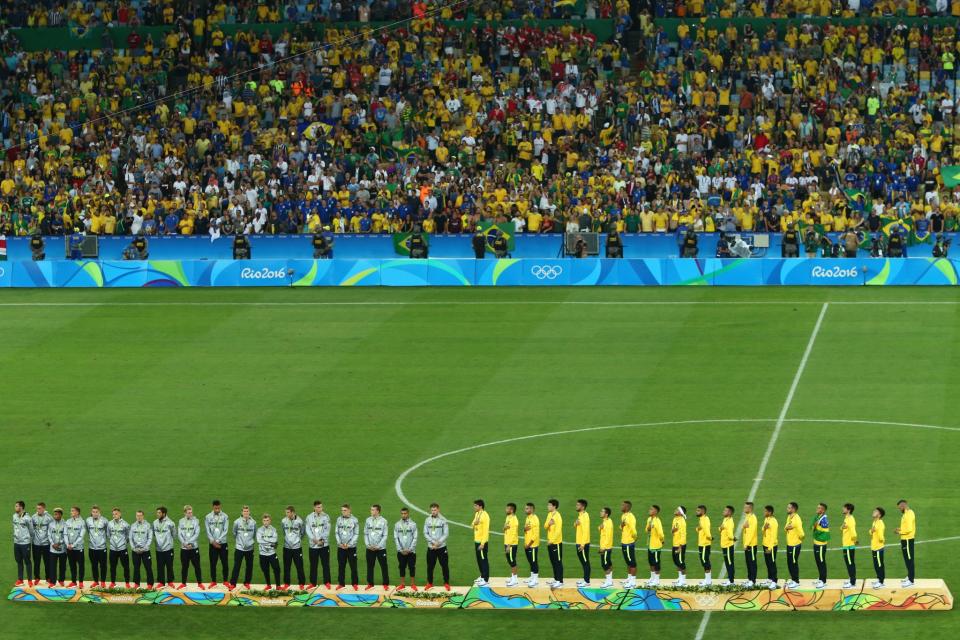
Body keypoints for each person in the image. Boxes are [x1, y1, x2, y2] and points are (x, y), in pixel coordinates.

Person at [423, 503, 450, 589]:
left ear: (438, 510)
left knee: (444, 565)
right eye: (432, 510)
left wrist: (438, 543)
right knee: (430, 566)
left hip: (441, 547)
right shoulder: (427, 520)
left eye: (435, 510)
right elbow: (425, 532)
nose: (433, 512)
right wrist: (432, 542)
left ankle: (446, 583)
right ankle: (430, 583)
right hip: (431, 547)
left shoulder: (443, 520)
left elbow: (446, 534)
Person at [229, 505, 256, 590]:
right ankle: (233, 583)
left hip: (250, 548)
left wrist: (250, 542)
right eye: (244, 511)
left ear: (249, 512)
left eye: (247, 511)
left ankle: (247, 582)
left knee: (249, 566)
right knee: (237, 566)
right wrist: (239, 542)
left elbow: (254, 533)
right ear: (242, 512)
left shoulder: (253, 522)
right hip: (239, 548)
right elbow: (234, 533)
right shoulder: (237, 522)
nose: (246, 513)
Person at [306, 501, 332, 589]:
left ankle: (327, 582)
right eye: (317, 507)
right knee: (313, 565)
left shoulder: (326, 516)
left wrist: (321, 540)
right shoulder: (309, 517)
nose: (319, 509)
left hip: (324, 545)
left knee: (325, 564)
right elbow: (308, 530)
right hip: (313, 545)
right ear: (314, 508)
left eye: (320, 507)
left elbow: (327, 530)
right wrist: (314, 539)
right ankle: (313, 583)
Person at [363, 504, 389, 590]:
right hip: (370, 548)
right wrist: (368, 545)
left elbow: (385, 535)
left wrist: (378, 546)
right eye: (371, 510)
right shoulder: (368, 520)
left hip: (380, 549)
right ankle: (370, 583)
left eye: (373, 510)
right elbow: (365, 533)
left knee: (383, 566)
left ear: (378, 511)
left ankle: (385, 584)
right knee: (370, 566)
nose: (371, 511)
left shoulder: (384, 521)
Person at [204, 500, 229, 588]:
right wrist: (212, 540)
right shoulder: (208, 517)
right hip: (212, 544)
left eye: (218, 508)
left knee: (225, 562)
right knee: (213, 563)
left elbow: (225, 530)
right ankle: (213, 581)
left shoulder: (225, 516)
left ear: (220, 506)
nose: (217, 509)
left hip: (223, 544)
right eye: (215, 508)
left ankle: (225, 581)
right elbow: (207, 530)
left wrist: (218, 540)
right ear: (213, 507)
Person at [335, 504, 360, 590]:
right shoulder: (339, 519)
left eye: (345, 510)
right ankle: (341, 583)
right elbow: (336, 532)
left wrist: (348, 544)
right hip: (341, 547)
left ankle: (355, 584)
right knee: (341, 566)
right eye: (342, 510)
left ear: (349, 510)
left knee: (353, 566)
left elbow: (356, 534)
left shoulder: (355, 520)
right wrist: (340, 543)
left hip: (351, 548)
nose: (343, 512)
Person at [281, 506, 306, 590]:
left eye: (288, 512)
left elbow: (303, 532)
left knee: (299, 566)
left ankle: (301, 583)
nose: (286, 514)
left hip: (297, 548)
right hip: (286, 547)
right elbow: (283, 532)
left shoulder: (299, 521)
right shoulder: (284, 521)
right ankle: (287, 583)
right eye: (286, 512)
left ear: (292, 512)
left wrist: (297, 540)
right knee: (286, 566)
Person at [128, 510, 154, 588]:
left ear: (143, 516)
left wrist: (145, 548)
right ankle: (136, 584)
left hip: (145, 551)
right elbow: (130, 538)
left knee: (148, 567)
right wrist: (133, 548)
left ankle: (150, 584)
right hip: (135, 551)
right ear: (136, 516)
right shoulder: (133, 525)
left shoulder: (148, 525)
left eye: (140, 515)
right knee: (136, 568)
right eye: (137, 516)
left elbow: (150, 538)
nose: (139, 517)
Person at [106, 508, 131, 588]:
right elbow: (108, 535)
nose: (114, 515)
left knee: (126, 566)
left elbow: (128, 536)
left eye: (116, 514)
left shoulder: (125, 524)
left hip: (123, 549)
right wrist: (113, 543)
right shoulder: (109, 524)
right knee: (112, 567)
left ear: (120, 514)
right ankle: (113, 583)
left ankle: (127, 583)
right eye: (113, 514)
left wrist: (123, 543)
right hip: (113, 549)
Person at [394, 508, 418, 590]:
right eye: (402, 513)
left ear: (408, 514)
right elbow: (396, 538)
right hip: (401, 551)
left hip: (411, 552)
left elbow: (415, 537)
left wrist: (410, 549)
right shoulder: (397, 524)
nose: (403, 515)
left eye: (405, 513)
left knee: (412, 567)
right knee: (401, 567)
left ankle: (412, 584)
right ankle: (402, 584)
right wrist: (400, 549)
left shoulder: (413, 524)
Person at [30, 502, 53, 587]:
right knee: (36, 562)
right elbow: (30, 528)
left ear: (44, 508)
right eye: (37, 508)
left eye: (39, 508)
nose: (38, 510)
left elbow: (52, 530)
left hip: (46, 544)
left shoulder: (49, 518)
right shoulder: (33, 517)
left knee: (47, 562)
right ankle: (37, 577)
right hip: (36, 544)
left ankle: (48, 577)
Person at [256, 513, 281, 589]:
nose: (266, 522)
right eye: (264, 520)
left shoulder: (273, 529)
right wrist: (270, 543)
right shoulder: (259, 530)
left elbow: (275, 540)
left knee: (277, 569)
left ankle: (278, 586)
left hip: (272, 553)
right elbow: (259, 540)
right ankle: (268, 585)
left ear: (270, 521)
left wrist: (265, 540)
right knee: (265, 570)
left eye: (267, 520)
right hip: (262, 554)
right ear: (262, 521)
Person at [13, 500, 34, 586]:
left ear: (21, 507)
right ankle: (20, 579)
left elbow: (31, 530)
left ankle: (29, 580)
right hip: (16, 543)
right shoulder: (14, 516)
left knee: (27, 561)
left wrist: (28, 540)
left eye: (17, 506)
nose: (15, 508)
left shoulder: (27, 518)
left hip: (25, 543)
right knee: (19, 561)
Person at [153, 506, 176, 588]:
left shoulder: (170, 523)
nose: (157, 514)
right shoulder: (155, 522)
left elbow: (174, 535)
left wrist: (168, 543)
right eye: (157, 513)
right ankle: (161, 582)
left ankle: (170, 581)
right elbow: (153, 534)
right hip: (158, 549)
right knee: (160, 566)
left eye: (159, 513)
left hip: (168, 549)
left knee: (169, 565)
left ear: (164, 513)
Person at [86, 505, 108, 588]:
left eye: (96, 512)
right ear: (91, 513)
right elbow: (88, 531)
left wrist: (102, 541)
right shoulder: (88, 520)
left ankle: (103, 582)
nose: (95, 514)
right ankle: (96, 581)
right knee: (94, 565)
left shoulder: (104, 521)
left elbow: (107, 532)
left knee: (103, 565)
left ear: (99, 513)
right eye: (93, 512)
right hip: (92, 548)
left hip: (102, 548)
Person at [895, 499, 916, 587]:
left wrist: (899, 532)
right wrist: (900, 529)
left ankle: (911, 580)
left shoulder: (909, 514)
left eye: (900, 508)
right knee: (907, 559)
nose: (899, 509)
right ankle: (909, 576)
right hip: (905, 539)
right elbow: (906, 527)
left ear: (903, 506)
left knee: (909, 559)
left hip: (907, 540)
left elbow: (909, 529)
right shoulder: (907, 514)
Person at [784, 502, 804, 589]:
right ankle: (793, 579)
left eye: (789, 508)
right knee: (789, 563)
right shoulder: (789, 517)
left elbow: (802, 533)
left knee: (793, 563)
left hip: (795, 545)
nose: (787, 509)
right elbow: (785, 527)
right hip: (789, 544)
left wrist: (798, 539)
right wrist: (787, 528)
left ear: (793, 509)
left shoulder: (797, 519)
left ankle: (796, 581)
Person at [64, 506, 86, 588]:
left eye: (73, 511)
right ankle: (73, 582)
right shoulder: (68, 521)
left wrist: (73, 545)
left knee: (81, 565)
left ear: (77, 512)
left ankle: (81, 582)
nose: (71, 512)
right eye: (71, 511)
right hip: (69, 548)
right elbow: (65, 534)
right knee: (72, 565)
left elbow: (81, 536)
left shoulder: (82, 522)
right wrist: (67, 544)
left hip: (78, 548)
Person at [545, 498, 564, 588]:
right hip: (550, 542)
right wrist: (549, 523)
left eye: (549, 505)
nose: (548, 506)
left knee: (558, 562)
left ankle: (560, 581)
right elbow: (545, 526)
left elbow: (558, 531)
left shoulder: (558, 516)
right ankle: (556, 578)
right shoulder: (549, 514)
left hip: (556, 543)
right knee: (553, 561)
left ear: (554, 506)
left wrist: (551, 541)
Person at [643, 505, 664, 587]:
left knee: (656, 562)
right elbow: (646, 530)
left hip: (656, 545)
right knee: (651, 562)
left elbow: (661, 533)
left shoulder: (657, 521)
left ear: (655, 511)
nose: (649, 510)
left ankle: (657, 580)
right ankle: (652, 578)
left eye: (651, 509)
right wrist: (649, 527)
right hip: (650, 545)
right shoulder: (649, 519)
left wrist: (662, 541)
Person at [471, 499, 490, 587]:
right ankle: (482, 576)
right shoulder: (477, 514)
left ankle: (485, 579)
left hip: (482, 543)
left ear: (480, 506)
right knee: (479, 560)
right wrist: (475, 523)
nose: (474, 507)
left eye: (475, 506)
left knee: (483, 560)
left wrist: (482, 544)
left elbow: (486, 531)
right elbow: (472, 525)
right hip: (477, 541)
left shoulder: (485, 516)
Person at [811, 502, 830, 589]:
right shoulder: (818, 517)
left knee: (821, 562)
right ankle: (820, 578)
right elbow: (812, 527)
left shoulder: (824, 520)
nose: (817, 509)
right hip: (816, 543)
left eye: (819, 508)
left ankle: (823, 581)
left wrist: (816, 532)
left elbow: (825, 534)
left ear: (822, 510)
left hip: (821, 545)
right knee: (818, 561)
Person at [620, 501, 638, 588]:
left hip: (628, 543)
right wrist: (621, 525)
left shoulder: (631, 517)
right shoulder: (623, 516)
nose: (621, 506)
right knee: (628, 561)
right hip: (624, 542)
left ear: (627, 507)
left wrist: (634, 538)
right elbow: (622, 527)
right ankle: (629, 578)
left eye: (622, 505)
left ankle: (633, 582)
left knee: (632, 563)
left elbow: (633, 529)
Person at [48, 508, 67, 586]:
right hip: (53, 549)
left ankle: (61, 580)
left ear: (60, 515)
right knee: (52, 566)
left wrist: (59, 543)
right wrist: (53, 544)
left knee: (62, 565)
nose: (55, 516)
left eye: (57, 514)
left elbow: (66, 535)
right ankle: (52, 582)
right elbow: (49, 535)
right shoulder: (51, 524)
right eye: (54, 514)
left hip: (62, 548)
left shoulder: (65, 524)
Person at [522, 503, 540, 587]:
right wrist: (524, 529)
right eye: (525, 508)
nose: (525, 510)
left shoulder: (535, 519)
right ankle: (532, 577)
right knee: (530, 561)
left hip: (532, 545)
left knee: (533, 562)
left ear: (532, 509)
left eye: (527, 509)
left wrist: (529, 544)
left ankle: (535, 580)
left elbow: (535, 534)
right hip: (527, 544)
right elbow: (527, 530)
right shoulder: (527, 518)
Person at [840, 503, 858, 589]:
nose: (843, 509)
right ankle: (851, 578)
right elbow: (843, 528)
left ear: (848, 510)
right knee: (849, 563)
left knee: (850, 563)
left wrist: (854, 540)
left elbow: (853, 532)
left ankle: (852, 582)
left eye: (844, 508)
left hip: (848, 545)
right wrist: (842, 527)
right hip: (846, 544)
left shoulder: (850, 519)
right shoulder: (847, 518)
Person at [574, 499, 591, 587]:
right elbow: (577, 526)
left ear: (582, 507)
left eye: (578, 505)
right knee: (583, 561)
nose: (576, 506)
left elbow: (586, 531)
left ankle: (587, 581)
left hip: (582, 544)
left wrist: (582, 545)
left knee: (585, 561)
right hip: (579, 542)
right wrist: (575, 523)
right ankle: (585, 578)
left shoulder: (585, 516)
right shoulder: (580, 515)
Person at [741, 502, 758, 588]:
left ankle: (753, 580)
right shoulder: (747, 517)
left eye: (746, 507)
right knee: (748, 562)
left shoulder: (752, 518)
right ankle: (749, 579)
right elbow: (744, 528)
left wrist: (746, 544)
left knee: (752, 563)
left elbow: (751, 532)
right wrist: (744, 526)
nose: (744, 509)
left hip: (751, 545)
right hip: (747, 544)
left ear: (750, 508)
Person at [762, 505, 779, 590]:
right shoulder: (766, 519)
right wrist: (764, 528)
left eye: (765, 511)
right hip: (765, 544)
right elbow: (763, 529)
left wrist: (770, 548)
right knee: (768, 562)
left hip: (771, 546)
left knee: (772, 563)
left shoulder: (774, 522)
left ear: (770, 512)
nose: (764, 513)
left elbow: (774, 535)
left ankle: (774, 581)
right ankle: (769, 579)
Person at [503, 503, 520, 587]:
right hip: (506, 542)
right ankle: (513, 577)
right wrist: (504, 527)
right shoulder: (508, 517)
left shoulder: (514, 520)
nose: (506, 510)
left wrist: (509, 545)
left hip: (512, 544)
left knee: (512, 561)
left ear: (511, 510)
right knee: (509, 560)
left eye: (507, 509)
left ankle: (515, 580)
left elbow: (514, 534)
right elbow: (504, 528)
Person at [719, 505, 736, 586]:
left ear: (729, 512)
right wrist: (720, 528)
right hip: (724, 545)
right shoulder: (725, 519)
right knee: (727, 563)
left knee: (729, 563)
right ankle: (729, 579)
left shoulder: (730, 522)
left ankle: (731, 581)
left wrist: (733, 538)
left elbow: (730, 534)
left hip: (728, 545)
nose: (723, 511)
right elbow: (721, 528)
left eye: (725, 510)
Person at [695, 505, 713, 586]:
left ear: (702, 511)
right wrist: (697, 529)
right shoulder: (703, 519)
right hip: (702, 543)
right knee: (704, 561)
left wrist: (710, 537)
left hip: (705, 543)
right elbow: (701, 529)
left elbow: (706, 530)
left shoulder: (704, 520)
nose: (696, 511)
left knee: (705, 561)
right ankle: (707, 579)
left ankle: (708, 581)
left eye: (698, 510)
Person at [869, 507, 886, 588]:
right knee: (876, 565)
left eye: (875, 511)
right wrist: (871, 531)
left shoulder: (880, 523)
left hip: (878, 548)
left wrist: (881, 540)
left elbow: (881, 536)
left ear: (879, 515)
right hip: (874, 547)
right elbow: (871, 531)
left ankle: (881, 582)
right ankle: (879, 579)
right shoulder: (875, 522)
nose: (873, 512)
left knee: (879, 565)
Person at [598, 507, 615, 588]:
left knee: (605, 564)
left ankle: (608, 582)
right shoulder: (607, 521)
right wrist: (600, 528)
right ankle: (610, 581)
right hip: (607, 547)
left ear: (606, 514)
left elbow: (608, 537)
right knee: (608, 562)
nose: (600, 512)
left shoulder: (607, 523)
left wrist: (603, 548)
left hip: (605, 547)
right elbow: (603, 530)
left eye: (602, 511)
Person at [670, 506, 687, 587]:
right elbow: (672, 531)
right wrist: (673, 530)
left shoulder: (682, 521)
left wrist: (681, 546)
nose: (675, 510)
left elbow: (683, 534)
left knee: (680, 562)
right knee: (676, 561)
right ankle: (680, 578)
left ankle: (683, 581)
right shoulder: (675, 519)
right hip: (675, 543)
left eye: (677, 510)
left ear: (681, 512)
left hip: (680, 545)